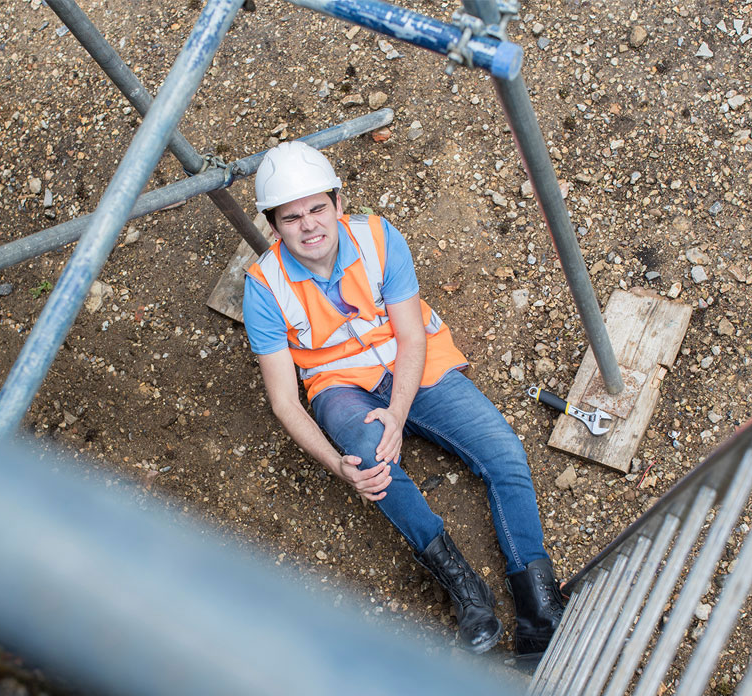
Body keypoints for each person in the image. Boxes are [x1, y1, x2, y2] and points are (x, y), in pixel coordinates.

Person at [242, 140, 565, 659]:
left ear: (338, 204)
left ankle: (538, 608)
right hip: (340, 385)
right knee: (370, 465)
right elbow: (284, 401)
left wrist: (397, 412)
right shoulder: (263, 286)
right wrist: (338, 467)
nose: (308, 226)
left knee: (504, 453)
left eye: (317, 208)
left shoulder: (378, 238)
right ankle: (467, 590)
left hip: (414, 364)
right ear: (274, 226)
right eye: (291, 217)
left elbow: (412, 337)